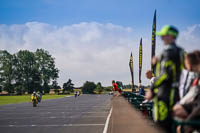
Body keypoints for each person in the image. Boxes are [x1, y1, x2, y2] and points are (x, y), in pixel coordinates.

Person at [146, 25, 185, 132]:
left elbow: (164, 75)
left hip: (166, 95)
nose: (161, 38)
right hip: (177, 93)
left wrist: (151, 89)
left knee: (161, 125)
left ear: (171, 36)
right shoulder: (181, 52)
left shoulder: (169, 53)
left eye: (164, 36)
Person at [173, 51, 200, 133]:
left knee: (180, 127)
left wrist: (188, 123)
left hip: (198, 110)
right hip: (196, 106)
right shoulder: (197, 75)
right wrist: (181, 105)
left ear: (189, 63)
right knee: (173, 111)